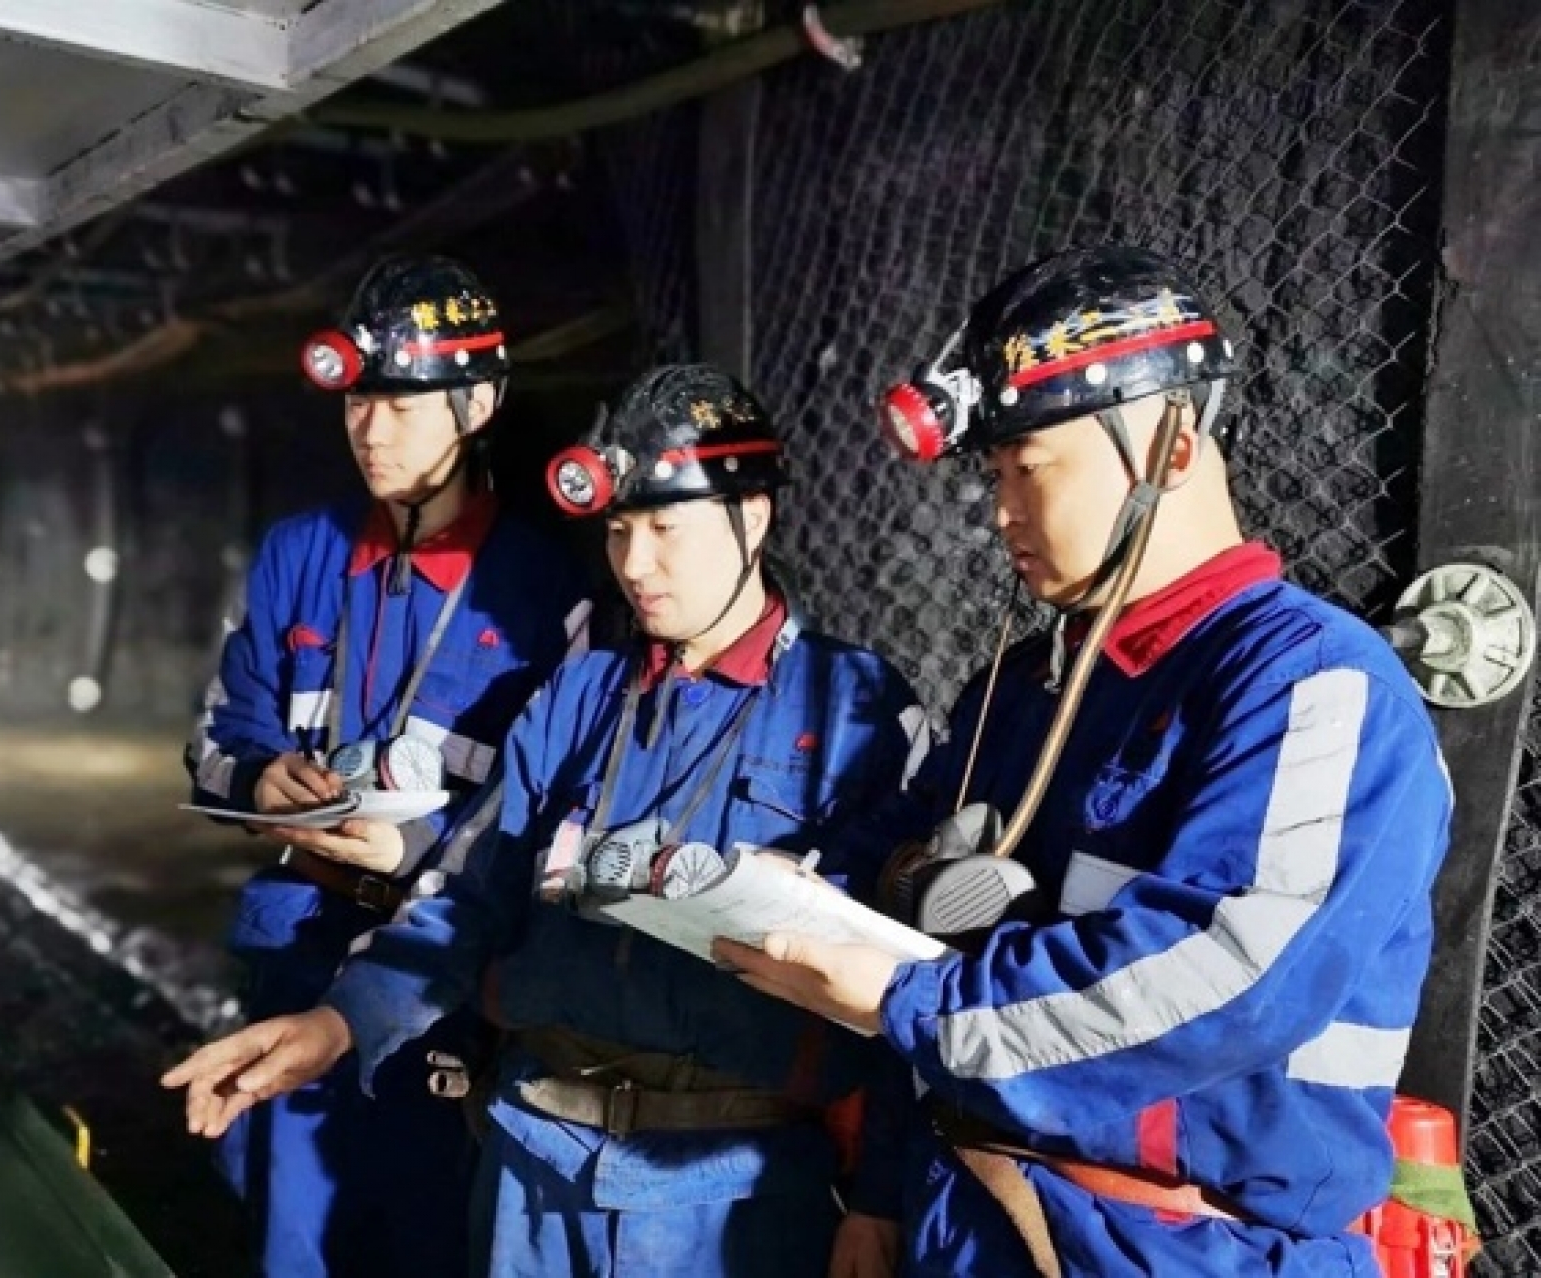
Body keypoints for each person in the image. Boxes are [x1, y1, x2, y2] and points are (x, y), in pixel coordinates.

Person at [716, 245, 1453, 1278]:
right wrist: (787, 894)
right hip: (969, 1207)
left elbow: (1227, 975)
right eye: (993, 476)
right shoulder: (1020, 692)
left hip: (1191, 1245)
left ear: (1171, 445)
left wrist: (904, 1001)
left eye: (1030, 467)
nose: (1001, 511)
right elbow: (904, 900)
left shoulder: (1316, 687)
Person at [167, 363, 932, 1277]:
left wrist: (879, 1200)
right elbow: (465, 897)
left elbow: (901, 981)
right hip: (531, 1172)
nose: (634, 564)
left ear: (753, 517)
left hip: (730, 1193)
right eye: (618, 530)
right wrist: (334, 1024)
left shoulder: (855, 709)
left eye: (664, 529)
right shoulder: (579, 696)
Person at [182, 254, 591, 1277]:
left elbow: (554, 810)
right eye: (359, 401)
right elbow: (215, 739)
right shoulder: (299, 554)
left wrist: (415, 851)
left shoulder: (547, 591)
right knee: (290, 1242)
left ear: (478, 405)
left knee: (426, 1242)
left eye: (402, 406)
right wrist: (261, 777)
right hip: (296, 947)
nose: (370, 428)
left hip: (444, 982)